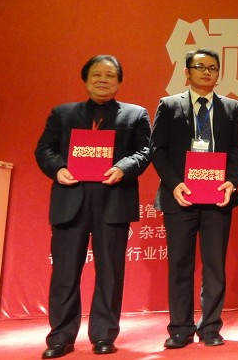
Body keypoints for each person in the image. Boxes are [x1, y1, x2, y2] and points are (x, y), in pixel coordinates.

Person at [34, 55, 151, 358]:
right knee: (64, 273)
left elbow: (144, 151)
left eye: (110, 75)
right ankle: (60, 337)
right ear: (85, 79)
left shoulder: (135, 114)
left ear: (119, 81)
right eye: (96, 74)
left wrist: (123, 167)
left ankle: (104, 335)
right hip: (70, 199)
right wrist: (58, 168)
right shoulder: (63, 113)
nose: (103, 80)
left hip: (113, 199)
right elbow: (44, 149)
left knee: (110, 272)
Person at [150, 48, 238, 348]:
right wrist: (175, 184)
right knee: (181, 264)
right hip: (181, 196)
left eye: (212, 68)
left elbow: (237, 150)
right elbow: (157, 150)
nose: (206, 72)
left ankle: (211, 327)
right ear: (187, 72)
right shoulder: (169, 105)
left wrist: (231, 182)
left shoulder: (231, 107)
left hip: (217, 196)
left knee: (215, 265)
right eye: (200, 66)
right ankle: (180, 328)